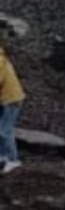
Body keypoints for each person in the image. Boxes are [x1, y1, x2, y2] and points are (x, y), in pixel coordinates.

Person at [0, 40, 24, 175]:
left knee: (5, 130)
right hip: (4, 99)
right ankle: (3, 156)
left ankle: (13, 160)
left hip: (12, 100)